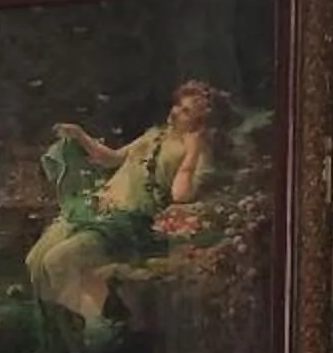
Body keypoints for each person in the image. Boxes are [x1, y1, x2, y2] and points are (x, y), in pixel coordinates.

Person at [27, 79, 223, 327]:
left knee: (57, 261)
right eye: (177, 105)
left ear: (201, 122)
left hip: (128, 222)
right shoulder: (155, 135)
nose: (175, 112)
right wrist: (80, 135)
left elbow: (180, 194)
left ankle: (96, 326)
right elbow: (113, 159)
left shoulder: (198, 153)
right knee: (35, 260)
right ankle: (63, 336)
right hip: (97, 208)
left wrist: (193, 151)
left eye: (186, 111)